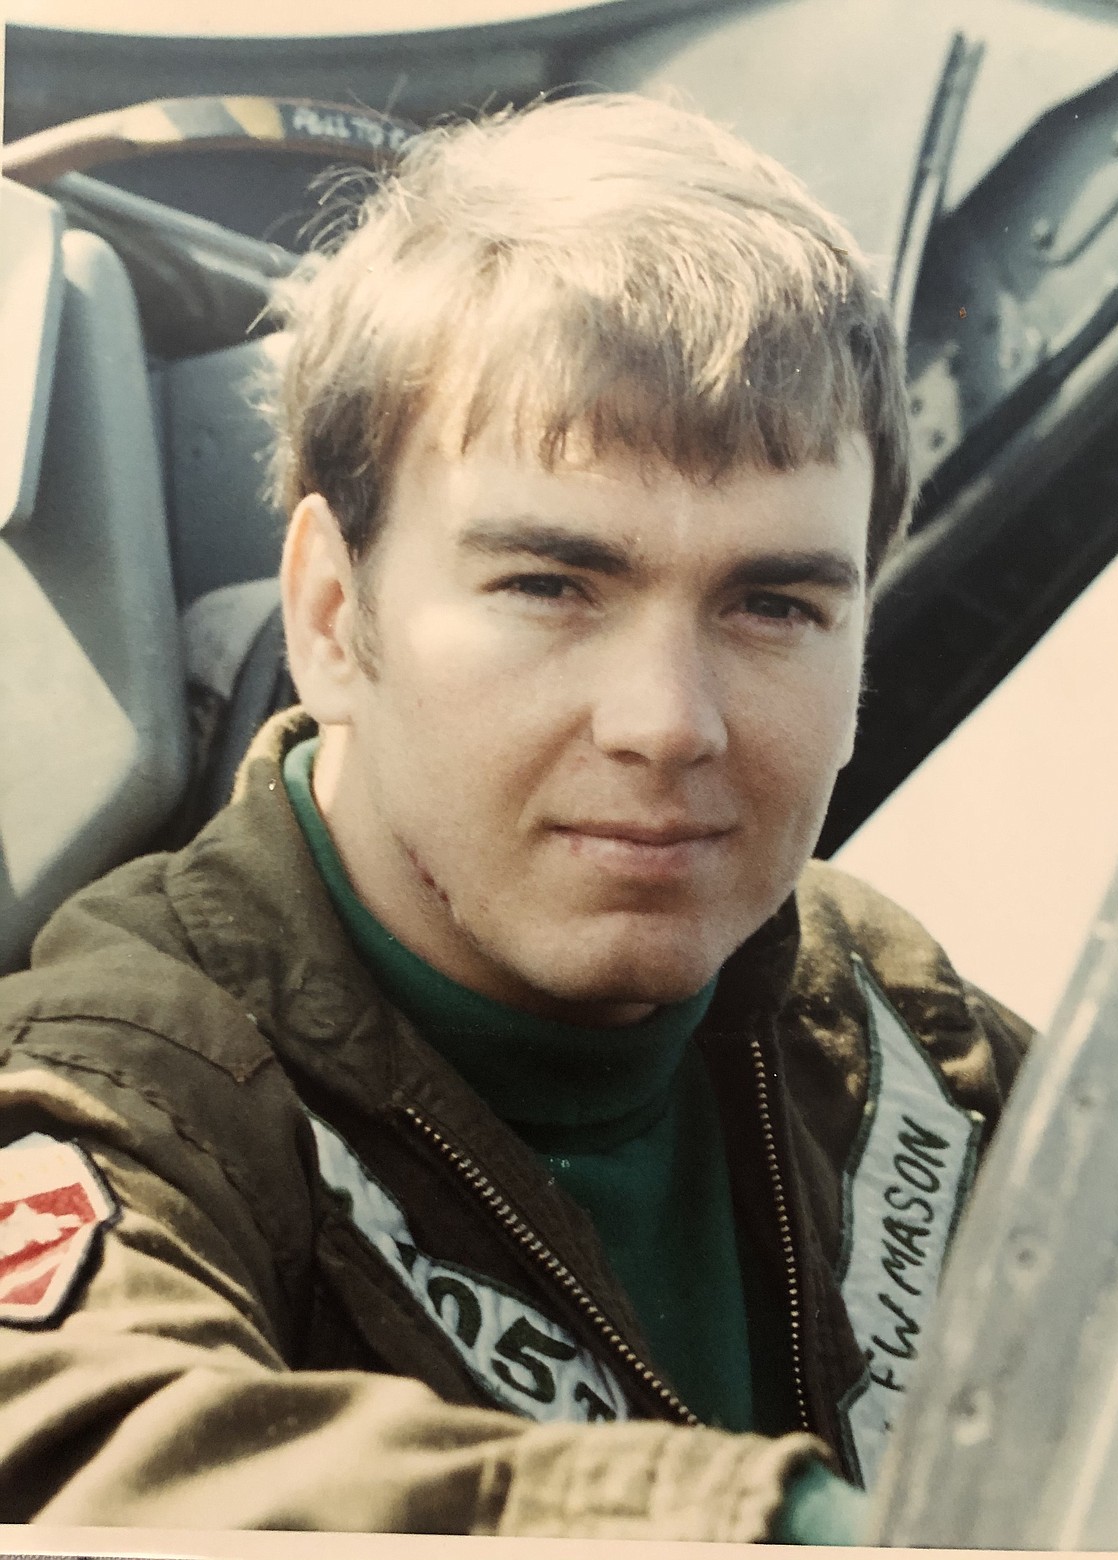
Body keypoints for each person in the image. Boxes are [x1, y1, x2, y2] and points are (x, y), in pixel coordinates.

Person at [0, 93, 1027, 1541]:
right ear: (332, 612)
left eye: (773, 604)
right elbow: (80, 1455)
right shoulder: (133, 1085)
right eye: (549, 587)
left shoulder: (897, 1031)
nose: (668, 721)